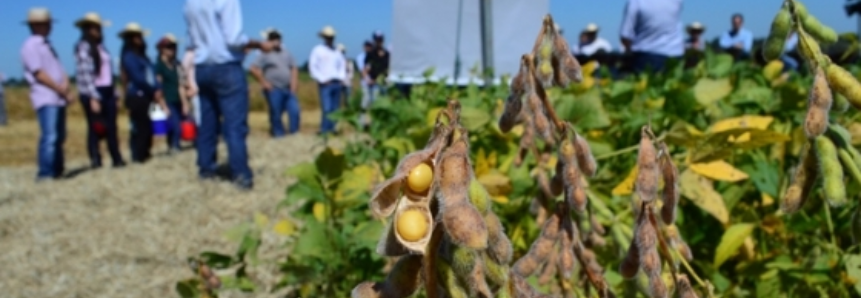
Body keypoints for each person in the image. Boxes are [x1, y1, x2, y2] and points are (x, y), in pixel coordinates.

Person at [184, 0, 273, 190]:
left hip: (202, 67)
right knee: (234, 126)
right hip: (226, 67)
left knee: (208, 123)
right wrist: (257, 43)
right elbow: (234, 39)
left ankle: (206, 169)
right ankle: (240, 174)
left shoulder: (190, 2)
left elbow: (192, 40)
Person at [21, 7, 72, 181]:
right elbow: (39, 73)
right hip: (45, 96)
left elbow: (59, 69)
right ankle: (45, 173)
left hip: (58, 97)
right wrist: (59, 88)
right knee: (50, 136)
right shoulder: (30, 46)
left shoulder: (48, 45)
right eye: (46, 23)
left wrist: (65, 86)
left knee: (59, 136)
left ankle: (57, 169)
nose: (50, 26)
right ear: (36, 25)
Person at [74, 12, 125, 169]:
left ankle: (116, 157)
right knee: (95, 126)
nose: (97, 30)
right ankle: (96, 159)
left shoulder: (101, 47)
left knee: (111, 126)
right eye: (94, 27)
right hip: (93, 91)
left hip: (107, 89)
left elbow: (108, 72)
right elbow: (85, 74)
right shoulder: (83, 47)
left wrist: (115, 93)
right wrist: (93, 97)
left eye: (98, 27)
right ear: (87, 29)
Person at [119, 22, 163, 163]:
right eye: (136, 36)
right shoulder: (129, 57)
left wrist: (157, 89)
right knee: (140, 126)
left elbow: (153, 74)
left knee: (147, 125)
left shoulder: (144, 57)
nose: (139, 39)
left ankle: (145, 152)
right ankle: (139, 155)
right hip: (137, 96)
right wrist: (153, 90)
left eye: (140, 36)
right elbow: (138, 78)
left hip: (147, 95)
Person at [250, 28, 300, 137]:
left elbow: (294, 68)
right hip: (274, 89)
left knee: (294, 111)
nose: (276, 41)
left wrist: (294, 83)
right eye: (273, 39)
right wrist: (263, 82)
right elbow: (253, 69)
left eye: (277, 38)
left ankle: (294, 134)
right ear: (269, 40)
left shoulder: (287, 53)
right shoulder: (264, 54)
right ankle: (278, 134)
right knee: (276, 113)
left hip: (288, 88)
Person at [619, 0, 684, 74]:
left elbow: (625, 35)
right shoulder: (677, 2)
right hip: (675, 56)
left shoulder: (636, 2)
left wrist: (628, 53)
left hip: (645, 58)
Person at [309, 25, 346, 135]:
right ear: (324, 37)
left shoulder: (337, 51)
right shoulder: (318, 50)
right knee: (327, 108)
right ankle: (325, 130)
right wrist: (321, 79)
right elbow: (312, 66)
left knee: (335, 109)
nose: (330, 39)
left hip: (336, 82)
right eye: (328, 37)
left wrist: (341, 78)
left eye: (332, 37)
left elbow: (342, 65)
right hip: (325, 83)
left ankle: (333, 129)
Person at [155, 33, 189, 153]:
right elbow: (158, 87)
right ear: (162, 49)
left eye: (174, 47)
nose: (172, 49)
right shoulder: (159, 66)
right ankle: (174, 147)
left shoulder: (177, 65)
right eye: (169, 47)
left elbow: (181, 85)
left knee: (177, 125)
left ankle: (174, 145)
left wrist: (185, 103)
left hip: (177, 99)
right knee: (174, 126)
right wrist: (163, 105)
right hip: (167, 100)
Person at [181, 46, 200, 127]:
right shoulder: (189, 54)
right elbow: (182, 72)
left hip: (205, 88)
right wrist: (188, 87)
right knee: (198, 113)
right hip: (194, 90)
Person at [357, 41, 374, 128]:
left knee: (374, 104)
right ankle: (361, 123)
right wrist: (368, 80)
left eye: (370, 46)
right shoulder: (360, 57)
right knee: (364, 103)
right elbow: (362, 70)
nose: (368, 48)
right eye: (367, 46)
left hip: (374, 83)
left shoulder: (374, 56)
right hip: (365, 83)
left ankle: (374, 124)